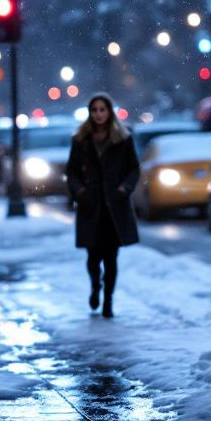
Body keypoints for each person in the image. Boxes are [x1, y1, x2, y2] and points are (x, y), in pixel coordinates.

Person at [65, 93, 140, 318]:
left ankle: (108, 301)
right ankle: (95, 286)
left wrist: (123, 189)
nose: (98, 114)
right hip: (91, 207)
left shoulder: (123, 139)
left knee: (111, 258)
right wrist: (79, 191)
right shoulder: (80, 140)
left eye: (102, 109)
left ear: (109, 112)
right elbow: (72, 172)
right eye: (94, 110)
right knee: (93, 256)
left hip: (114, 208)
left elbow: (133, 169)